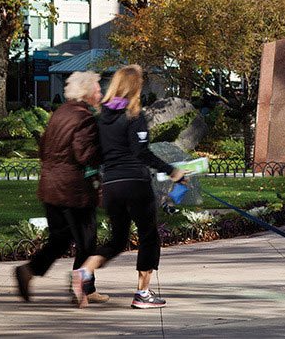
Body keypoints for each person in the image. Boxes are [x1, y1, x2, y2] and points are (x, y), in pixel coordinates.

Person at [70, 65, 187, 309]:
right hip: (135, 183)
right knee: (149, 237)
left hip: (111, 184)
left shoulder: (101, 118)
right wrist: (172, 171)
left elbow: (97, 152)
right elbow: (141, 152)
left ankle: (85, 270)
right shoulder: (135, 115)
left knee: (118, 239)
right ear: (135, 87)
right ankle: (142, 294)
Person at [14, 71, 108, 304]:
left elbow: (43, 149)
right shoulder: (85, 117)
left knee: (61, 239)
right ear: (87, 92)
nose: (101, 92)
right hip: (75, 188)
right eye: (97, 87)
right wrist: (106, 150)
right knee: (87, 240)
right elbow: (85, 154)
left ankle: (28, 271)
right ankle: (82, 287)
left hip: (51, 186)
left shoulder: (60, 113)